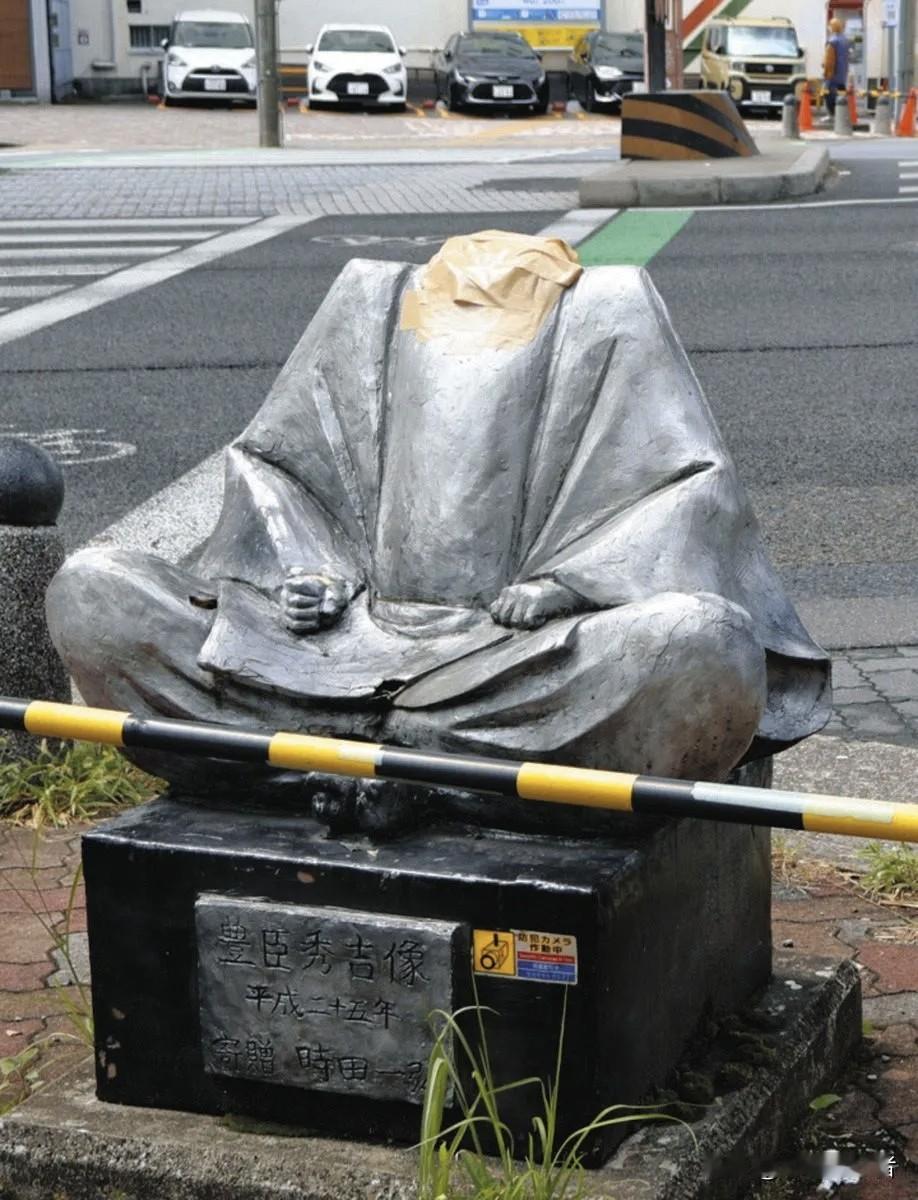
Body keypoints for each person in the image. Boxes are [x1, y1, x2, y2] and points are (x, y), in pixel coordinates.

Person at [47, 232, 831, 826]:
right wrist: (309, 570)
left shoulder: (609, 312)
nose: (474, 304)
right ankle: (446, 772)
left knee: (707, 646)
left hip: (508, 661)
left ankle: (367, 768)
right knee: (93, 590)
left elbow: (684, 490)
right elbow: (279, 467)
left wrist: (568, 587)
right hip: (335, 646)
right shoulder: (367, 301)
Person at [823, 16, 850, 116]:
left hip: (832, 74)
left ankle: (832, 115)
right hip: (842, 74)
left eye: (830, 26)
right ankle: (841, 115)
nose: (828, 28)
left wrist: (826, 71)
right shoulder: (845, 40)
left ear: (832, 27)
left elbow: (829, 60)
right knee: (841, 94)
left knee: (828, 94)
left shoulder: (832, 41)